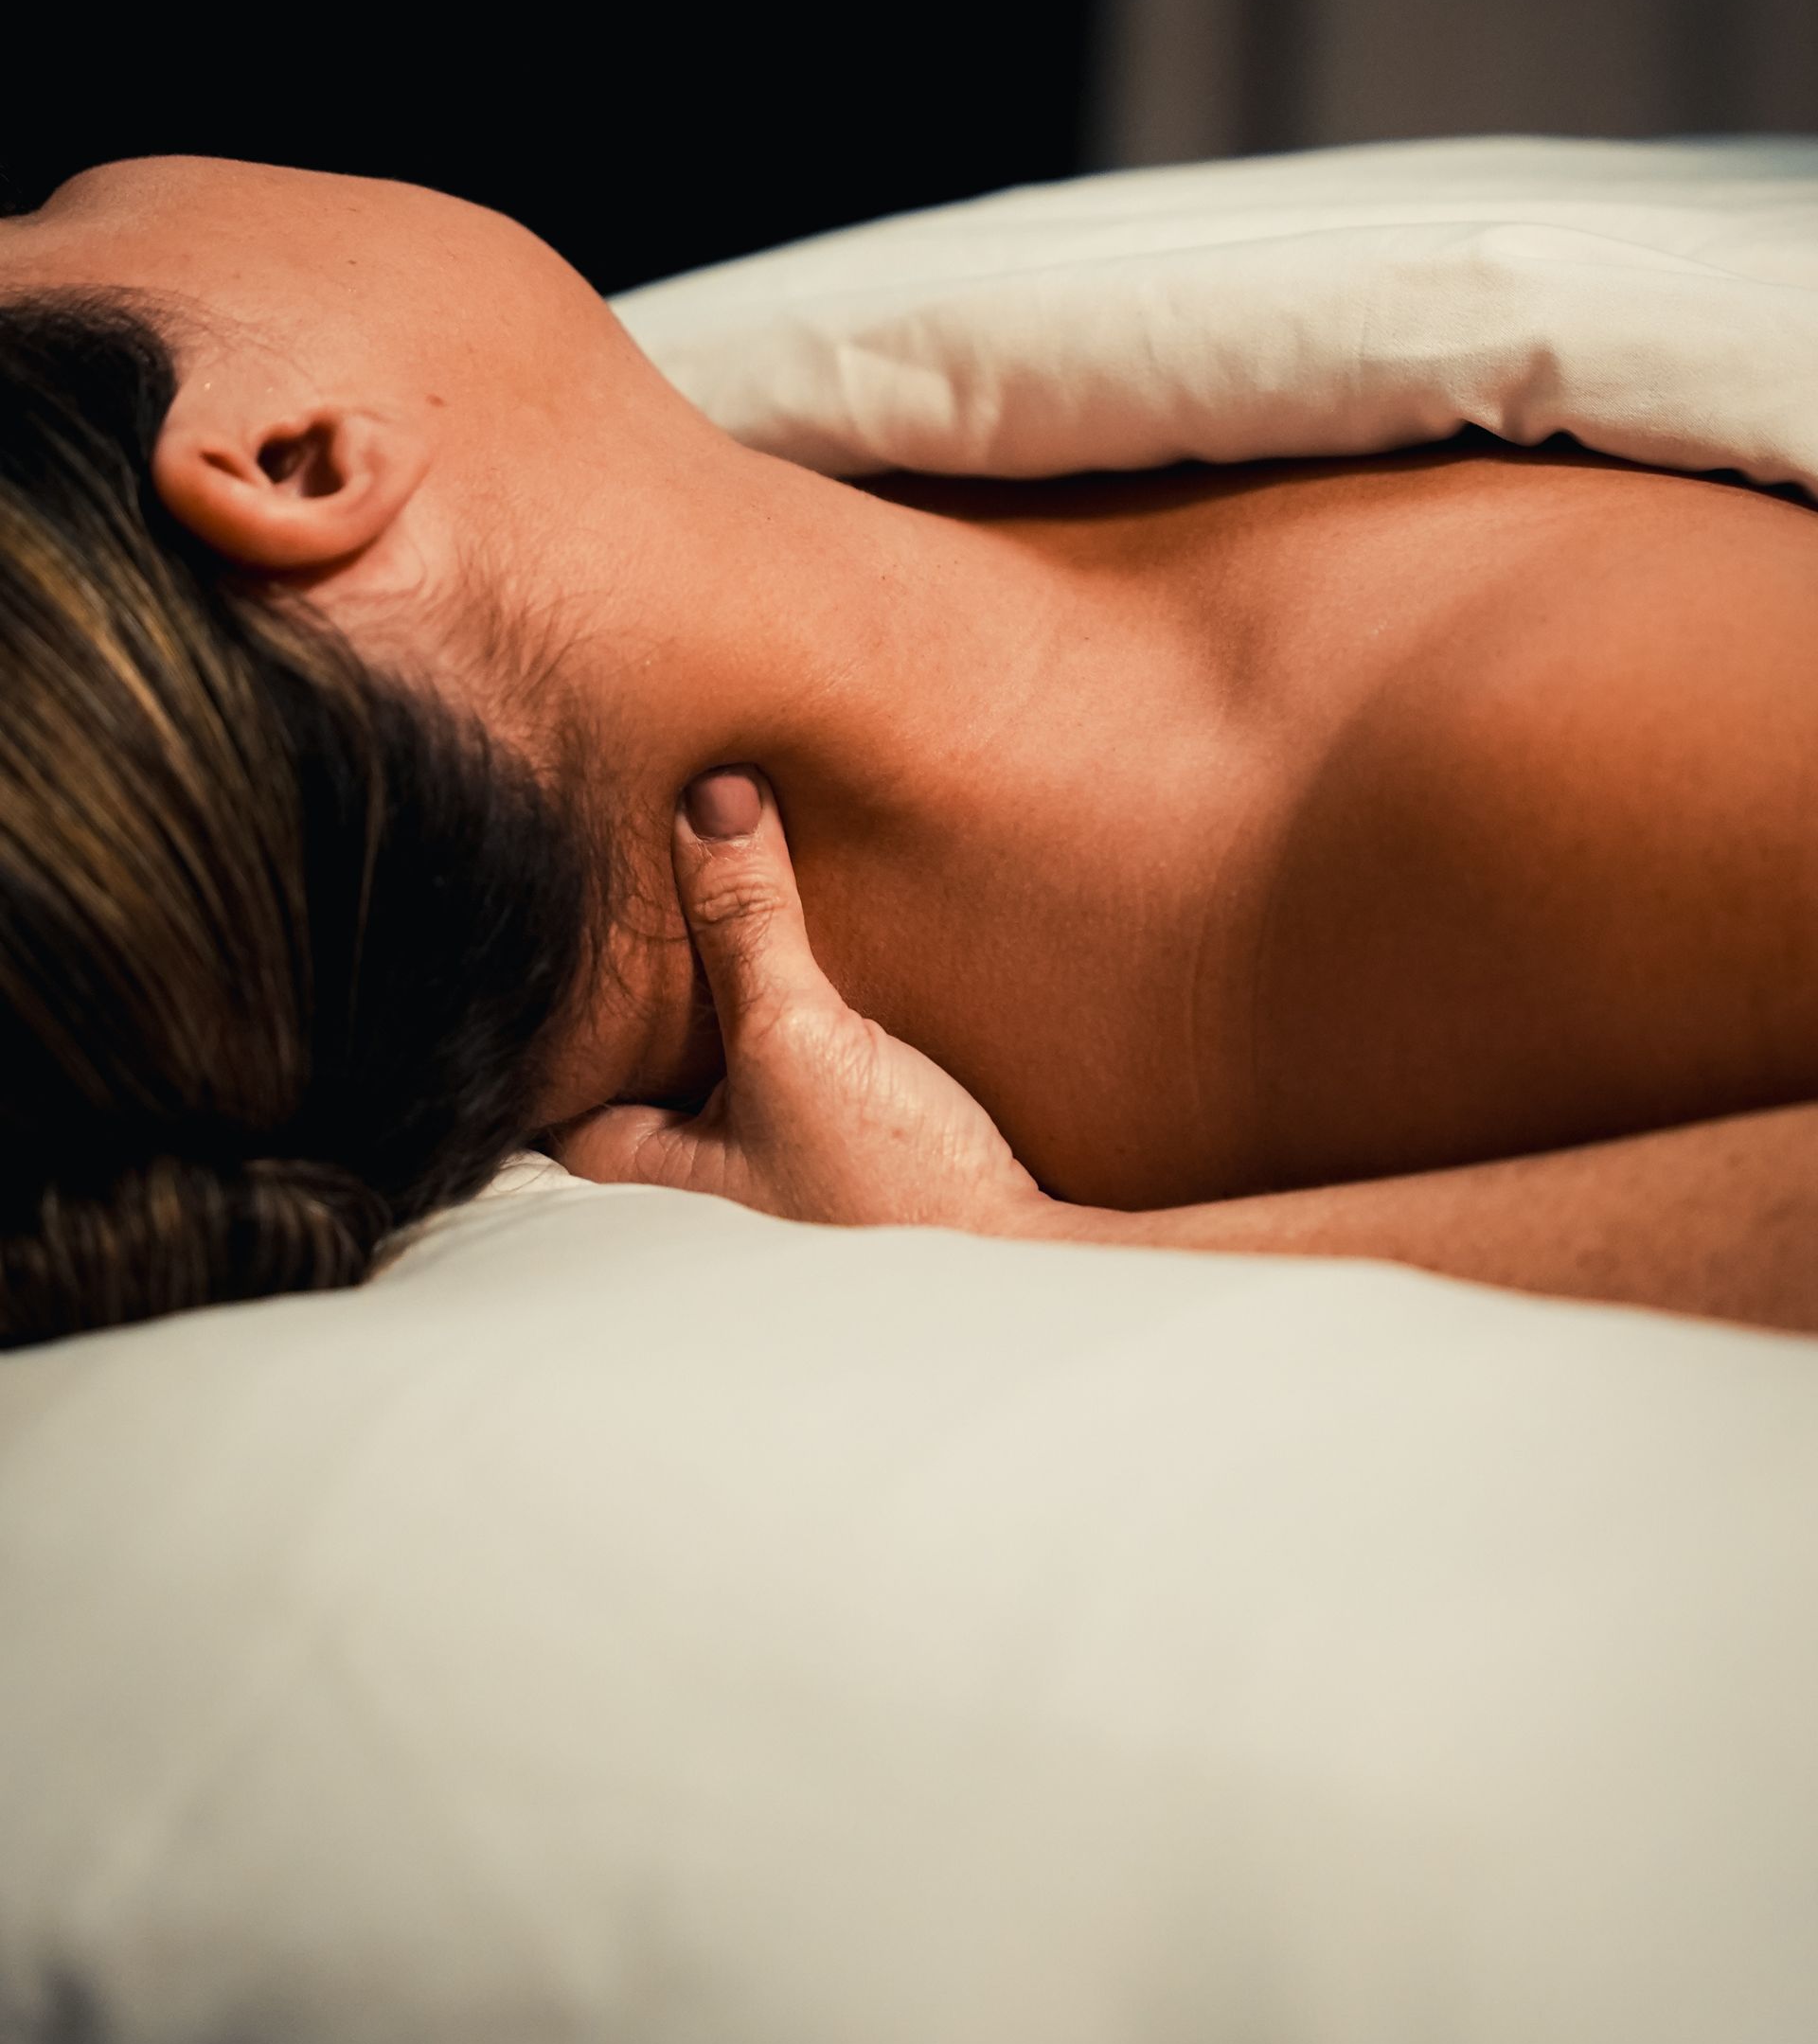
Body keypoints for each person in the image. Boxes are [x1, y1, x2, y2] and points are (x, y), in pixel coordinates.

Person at [6, 152, 1818, 1349]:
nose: (87, 177)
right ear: (297, 460)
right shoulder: (1487, 791)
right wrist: (1048, 1275)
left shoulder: (863, 516)